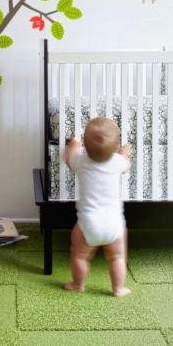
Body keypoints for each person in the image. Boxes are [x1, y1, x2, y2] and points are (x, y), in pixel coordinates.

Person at [63, 117, 131, 297]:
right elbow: (127, 164)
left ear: (85, 145)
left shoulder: (81, 161)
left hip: (88, 223)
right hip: (115, 224)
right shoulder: (118, 162)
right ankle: (118, 288)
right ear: (116, 146)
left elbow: (69, 159)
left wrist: (73, 145)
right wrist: (123, 153)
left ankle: (78, 284)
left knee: (79, 256)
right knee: (117, 257)